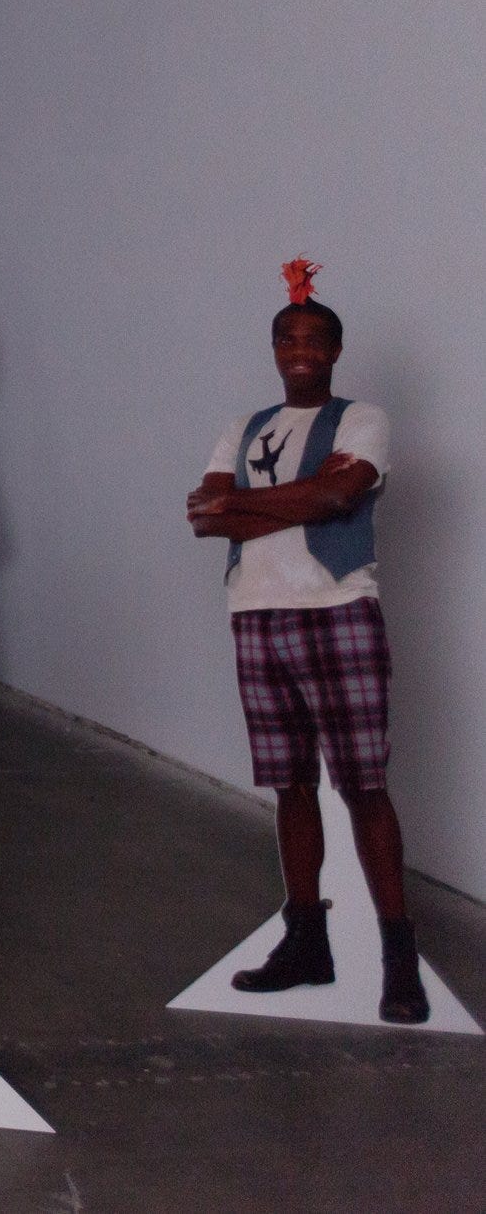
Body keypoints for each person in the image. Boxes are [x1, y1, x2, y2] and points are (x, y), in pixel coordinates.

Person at [184, 260, 427, 1024]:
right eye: (288, 337)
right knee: (289, 784)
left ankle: (398, 958)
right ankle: (306, 944)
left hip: (337, 608)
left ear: (335, 350)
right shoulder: (244, 426)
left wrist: (252, 503)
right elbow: (206, 516)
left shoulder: (363, 419)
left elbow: (340, 492)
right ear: (273, 347)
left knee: (363, 785)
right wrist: (305, 497)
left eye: (315, 339)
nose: (301, 349)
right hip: (256, 612)